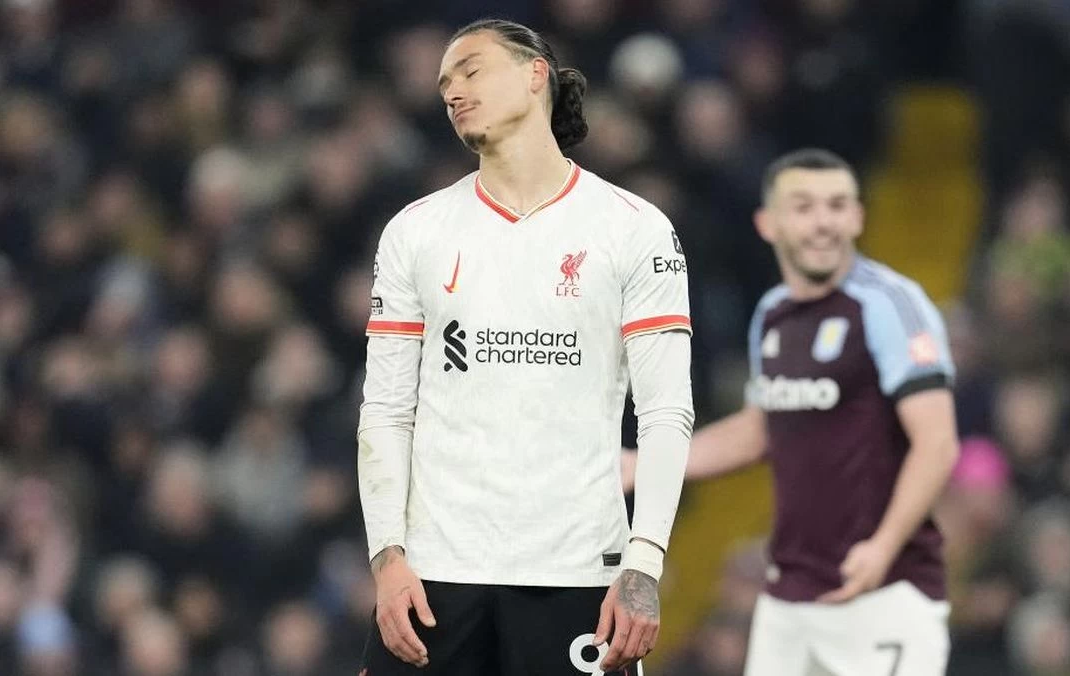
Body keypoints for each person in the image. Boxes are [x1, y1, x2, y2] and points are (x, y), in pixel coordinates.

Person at [357, 18, 694, 676]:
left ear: (536, 73)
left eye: (471, 71)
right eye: (444, 86)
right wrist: (387, 556)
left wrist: (644, 563)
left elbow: (664, 412)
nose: (453, 92)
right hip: (434, 577)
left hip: (577, 572)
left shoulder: (634, 229)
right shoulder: (415, 232)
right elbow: (387, 409)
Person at [623, 149, 960, 675]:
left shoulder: (890, 304)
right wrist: (645, 464)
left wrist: (883, 546)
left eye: (837, 205)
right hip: (789, 595)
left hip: (884, 592)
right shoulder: (773, 314)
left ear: (858, 217)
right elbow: (762, 427)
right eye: (803, 206)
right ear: (768, 223)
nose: (823, 222)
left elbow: (936, 443)